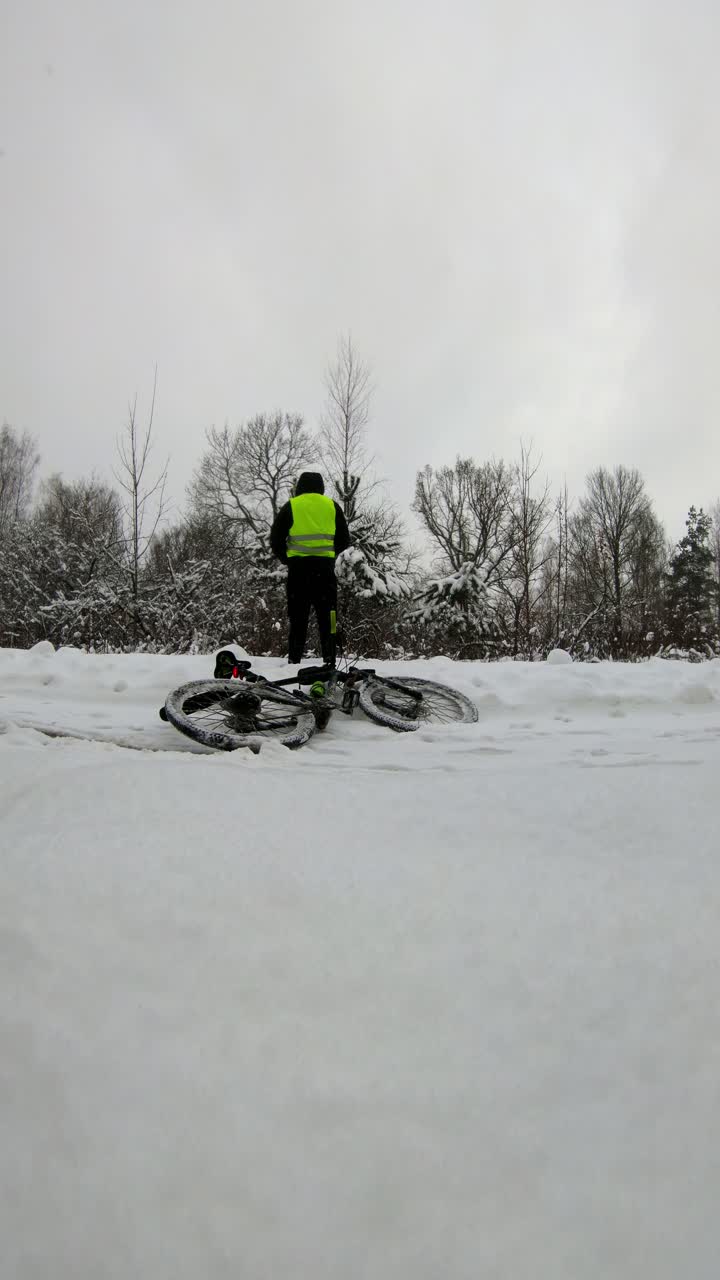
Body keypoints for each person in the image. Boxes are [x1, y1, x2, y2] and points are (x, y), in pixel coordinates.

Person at [270, 472, 351, 665]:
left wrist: (288, 559)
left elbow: (275, 539)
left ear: (300, 487)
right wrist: (329, 555)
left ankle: (294, 660)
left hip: (299, 572)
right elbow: (344, 540)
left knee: (298, 619)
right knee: (328, 618)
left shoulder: (292, 505)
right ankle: (330, 660)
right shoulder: (332, 506)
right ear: (321, 487)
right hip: (324, 573)